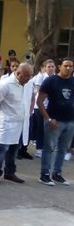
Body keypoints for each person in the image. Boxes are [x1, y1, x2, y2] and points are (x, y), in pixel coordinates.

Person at [0, 63, 34, 184]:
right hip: (7, 121)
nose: (29, 78)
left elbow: (30, 98)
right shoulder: (6, 84)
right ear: (18, 73)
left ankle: (10, 172)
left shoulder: (29, 83)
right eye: (26, 76)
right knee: (2, 147)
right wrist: (4, 114)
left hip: (21, 122)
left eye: (30, 75)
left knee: (14, 148)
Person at [36, 57, 74, 186]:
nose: (68, 68)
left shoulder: (73, 81)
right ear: (60, 66)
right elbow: (39, 101)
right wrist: (48, 118)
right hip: (54, 120)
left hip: (70, 121)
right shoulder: (51, 81)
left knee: (63, 149)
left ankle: (57, 173)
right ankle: (44, 174)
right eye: (66, 66)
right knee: (49, 148)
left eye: (71, 66)